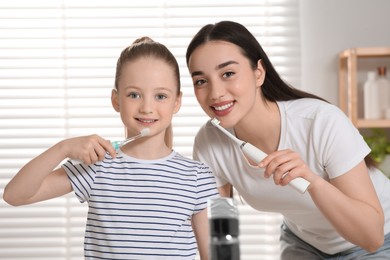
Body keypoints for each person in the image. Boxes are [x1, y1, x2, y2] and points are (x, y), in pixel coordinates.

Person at [185, 21, 390, 259]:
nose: (215, 93)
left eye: (228, 73)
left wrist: (313, 182)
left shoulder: (320, 122)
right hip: (303, 242)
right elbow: (218, 235)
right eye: (201, 81)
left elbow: (371, 237)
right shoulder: (210, 142)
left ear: (258, 73)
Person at [3, 37, 219, 260]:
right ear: (116, 100)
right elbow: (14, 195)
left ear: (177, 102)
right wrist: (62, 148)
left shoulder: (200, 176)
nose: (147, 108)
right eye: (134, 94)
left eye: (160, 96)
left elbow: (224, 252)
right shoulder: (97, 165)